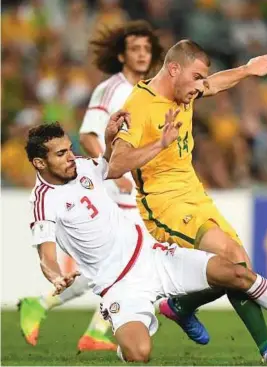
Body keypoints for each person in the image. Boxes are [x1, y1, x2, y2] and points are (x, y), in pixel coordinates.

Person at [25, 114, 267, 364]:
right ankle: (132, 334)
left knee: (237, 272)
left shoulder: (82, 166)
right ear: (40, 162)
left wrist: (140, 142)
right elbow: (46, 253)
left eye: (69, 149)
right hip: (119, 286)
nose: (70, 157)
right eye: (60, 154)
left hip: (154, 256)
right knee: (138, 353)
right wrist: (55, 275)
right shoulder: (42, 201)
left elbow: (111, 168)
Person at [108, 39, 267, 364]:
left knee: (238, 266)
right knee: (230, 257)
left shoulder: (184, 90)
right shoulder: (140, 105)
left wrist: (246, 70)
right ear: (174, 69)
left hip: (195, 195)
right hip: (163, 204)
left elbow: (215, 84)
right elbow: (115, 165)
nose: (200, 86)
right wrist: (159, 144)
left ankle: (184, 308)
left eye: (202, 78)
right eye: (197, 76)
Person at [17, 20, 163, 352]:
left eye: (147, 49)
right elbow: (87, 135)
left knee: (119, 262)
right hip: (111, 183)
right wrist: (115, 170)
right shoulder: (111, 89)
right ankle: (97, 326)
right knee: (134, 259)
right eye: (135, 49)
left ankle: (51, 308)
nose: (142, 55)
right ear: (121, 55)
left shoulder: (148, 90)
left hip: (133, 184)